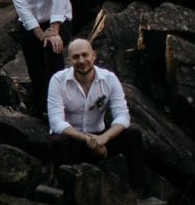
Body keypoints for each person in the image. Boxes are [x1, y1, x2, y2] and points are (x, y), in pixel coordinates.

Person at [47, 39, 149, 193]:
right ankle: (69, 194)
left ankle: (141, 191)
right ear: (69, 60)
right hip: (73, 140)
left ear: (93, 55)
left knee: (133, 133)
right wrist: (87, 139)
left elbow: (122, 116)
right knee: (57, 142)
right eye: (76, 57)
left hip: (101, 138)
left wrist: (104, 138)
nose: (81, 61)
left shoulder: (109, 79)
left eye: (85, 55)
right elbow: (56, 122)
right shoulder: (57, 80)